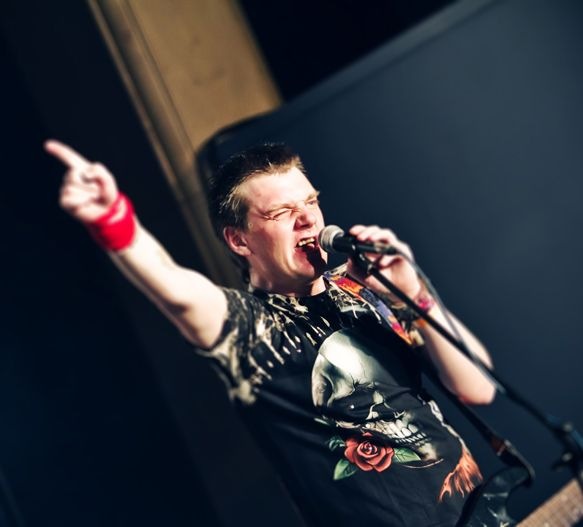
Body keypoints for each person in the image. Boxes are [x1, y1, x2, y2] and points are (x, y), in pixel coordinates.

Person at [46, 139, 495, 526]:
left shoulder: (364, 288)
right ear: (239, 240)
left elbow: (478, 387)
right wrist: (113, 220)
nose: (307, 220)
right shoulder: (250, 326)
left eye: (311, 202)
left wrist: (414, 293)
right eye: (282, 212)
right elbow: (176, 289)